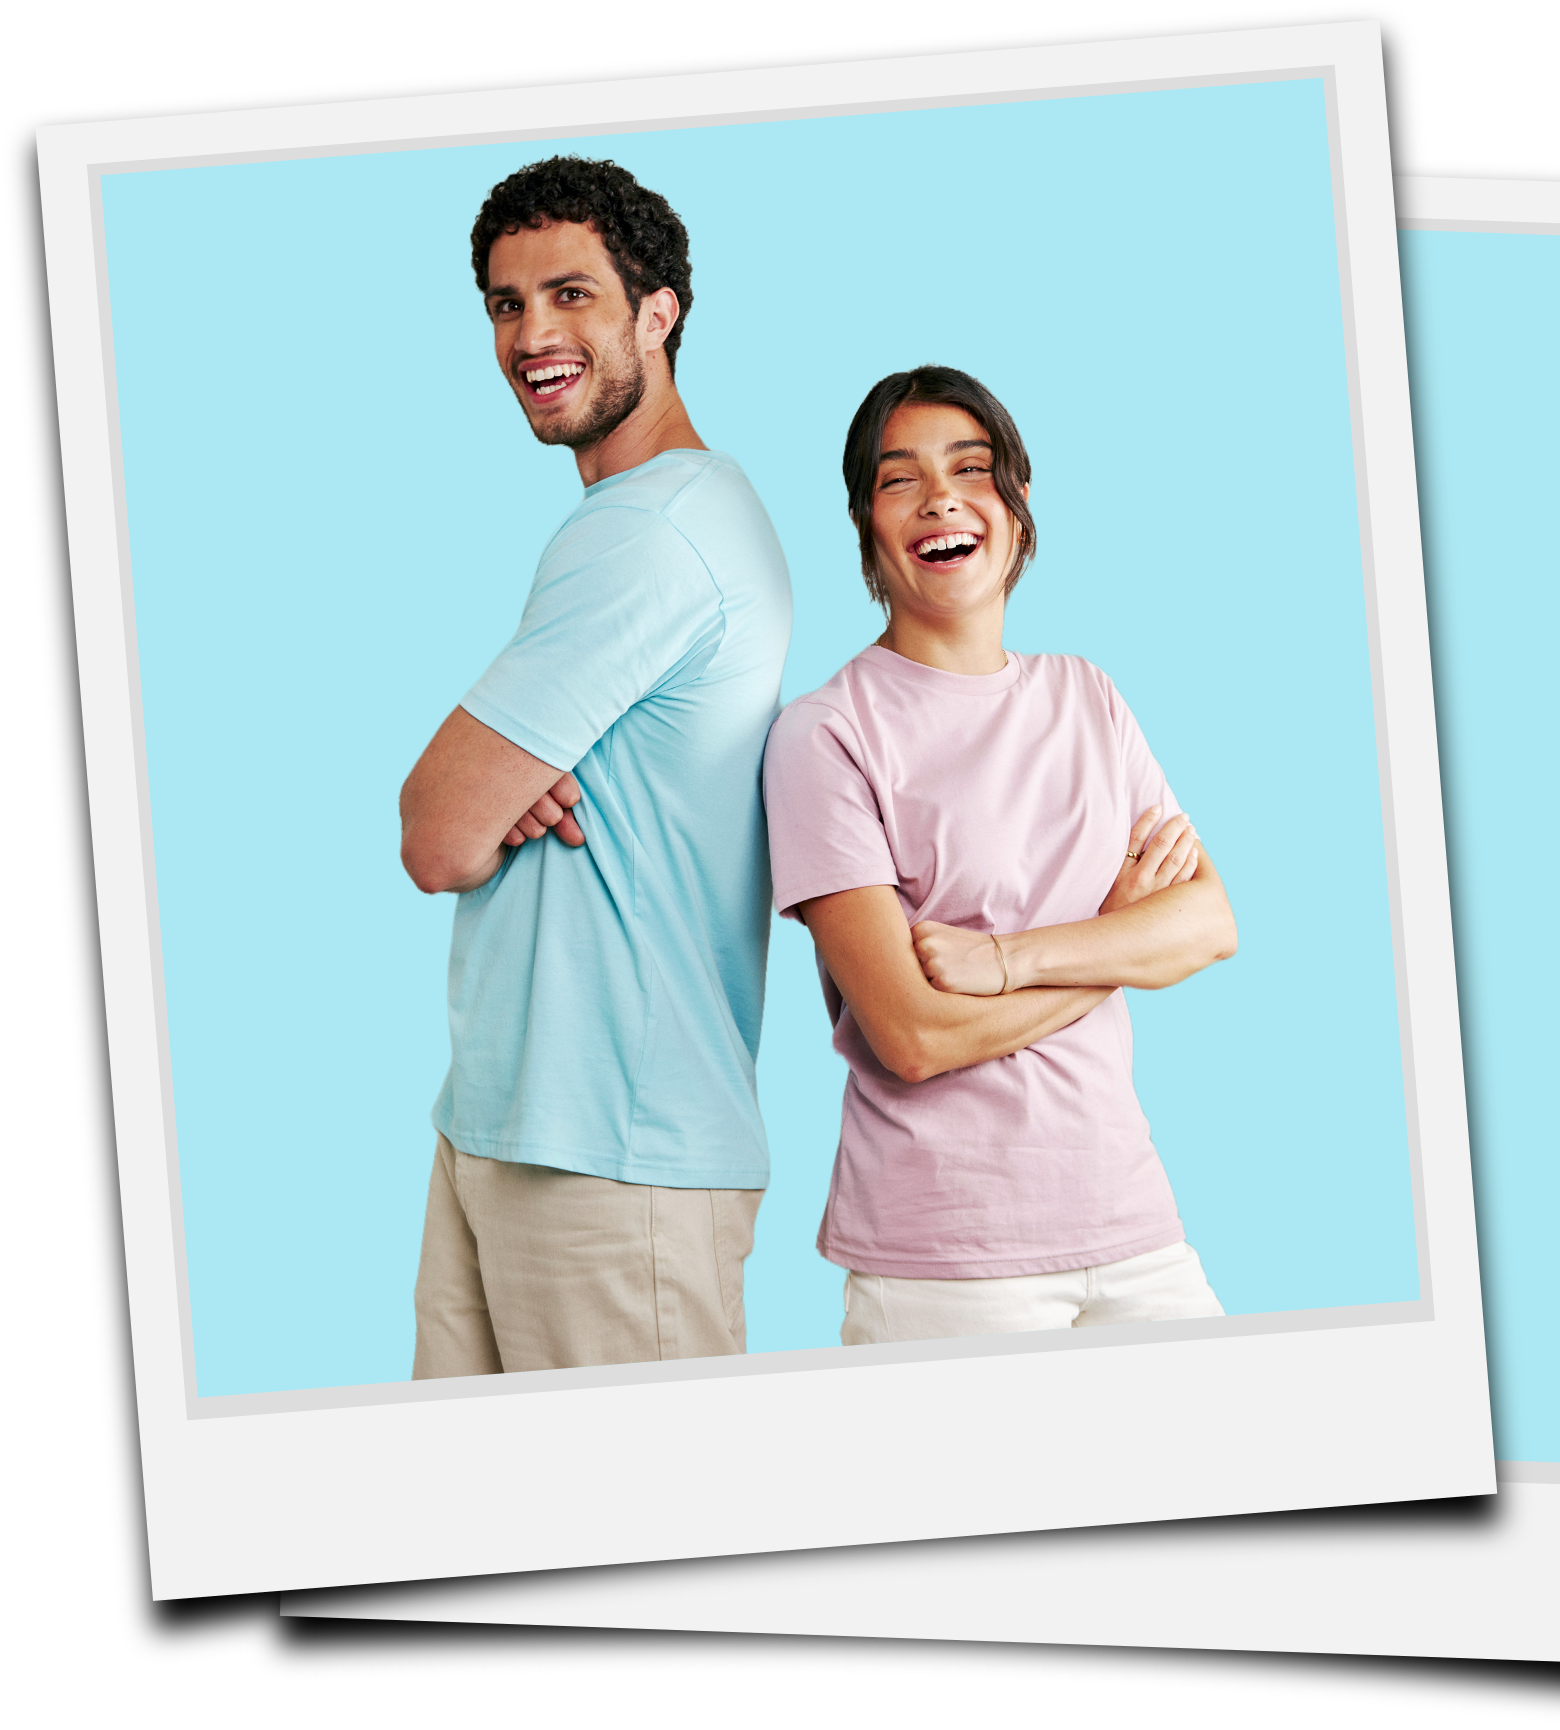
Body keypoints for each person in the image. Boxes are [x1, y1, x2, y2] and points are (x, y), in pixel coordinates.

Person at [399, 156, 792, 1374]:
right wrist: (505, 782)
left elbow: (437, 832)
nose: (531, 336)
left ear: (656, 314)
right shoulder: (632, 521)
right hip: (504, 1125)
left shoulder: (653, 527)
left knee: (631, 1502)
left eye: (570, 294)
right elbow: (468, 810)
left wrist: (493, 787)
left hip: (617, 1155)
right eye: (505, 304)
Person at [762, 366, 1236, 1345]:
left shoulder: (1087, 695)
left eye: (970, 468)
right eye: (899, 479)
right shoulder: (825, 735)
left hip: (1133, 1222)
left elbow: (1206, 922)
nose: (939, 497)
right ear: (864, 527)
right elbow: (912, 1035)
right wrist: (1116, 941)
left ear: (1016, 504)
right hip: (946, 1256)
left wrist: (1004, 959)